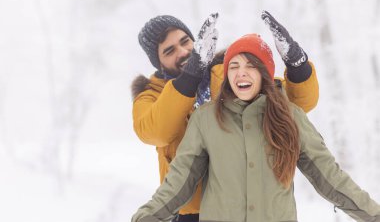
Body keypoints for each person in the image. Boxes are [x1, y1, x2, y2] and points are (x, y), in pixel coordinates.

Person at [131, 34, 380, 222]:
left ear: (265, 73)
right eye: (234, 66)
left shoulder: (289, 117)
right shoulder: (206, 120)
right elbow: (177, 184)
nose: (242, 73)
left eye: (251, 66)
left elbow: (330, 178)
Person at [131, 11, 319, 222]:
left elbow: (297, 103)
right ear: (158, 62)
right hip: (191, 212)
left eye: (185, 41)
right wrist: (190, 77)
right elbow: (156, 131)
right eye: (169, 51)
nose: (183, 52)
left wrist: (297, 65)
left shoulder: (226, 74)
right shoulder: (150, 96)